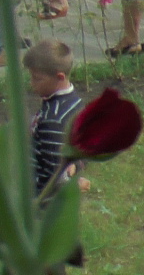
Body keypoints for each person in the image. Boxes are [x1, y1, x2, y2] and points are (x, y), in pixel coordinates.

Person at [27, 40, 86, 194]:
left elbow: (56, 175)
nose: (31, 83)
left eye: (37, 78)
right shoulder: (76, 103)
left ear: (59, 77)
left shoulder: (53, 119)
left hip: (41, 199)